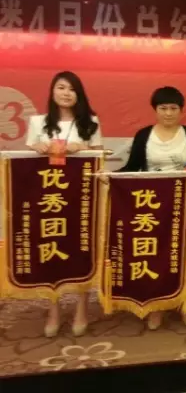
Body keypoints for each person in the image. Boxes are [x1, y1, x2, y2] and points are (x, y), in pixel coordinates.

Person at [119, 86, 186, 330]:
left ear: (181, 110)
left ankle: (184, 302)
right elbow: (132, 167)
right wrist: (109, 176)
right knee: (155, 253)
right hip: (150, 204)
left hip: (182, 201)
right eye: (163, 108)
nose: (168, 113)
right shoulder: (144, 135)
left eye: (173, 108)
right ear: (155, 110)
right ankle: (156, 305)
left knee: (182, 252)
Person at [25, 70, 103, 338]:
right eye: (61, 87)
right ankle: (54, 309)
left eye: (72, 89)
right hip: (48, 199)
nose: (66, 93)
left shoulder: (90, 123)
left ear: (78, 94)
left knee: (81, 248)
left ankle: (81, 308)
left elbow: (99, 156)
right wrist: (35, 147)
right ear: (52, 91)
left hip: (80, 197)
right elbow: (26, 161)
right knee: (51, 249)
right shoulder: (38, 122)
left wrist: (81, 148)